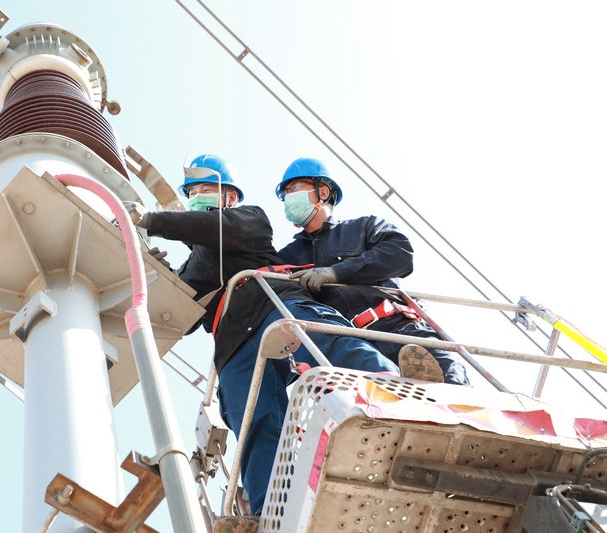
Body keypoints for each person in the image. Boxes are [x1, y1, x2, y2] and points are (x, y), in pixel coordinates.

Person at [124, 153, 399, 516]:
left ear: (229, 196)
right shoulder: (194, 265)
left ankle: (395, 404)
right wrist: (159, 278)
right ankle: (272, 512)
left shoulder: (249, 218)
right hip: (233, 344)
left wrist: (152, 220)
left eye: (205, 189)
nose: (196, 198)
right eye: (192, 193)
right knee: (256, 424)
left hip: (273, 304)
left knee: (330, 345)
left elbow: (215, 229)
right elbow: (180, 318)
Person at [275, 157, 470, 385]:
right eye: (285, 193)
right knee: (374, 405)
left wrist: (336, 272)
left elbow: (400, 254)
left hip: (401, 331)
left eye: (293, 188)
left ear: (323, 192)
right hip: (347, 351)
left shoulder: (364, 227)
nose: (288, 197)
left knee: (452, 388)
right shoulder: (288, 257)